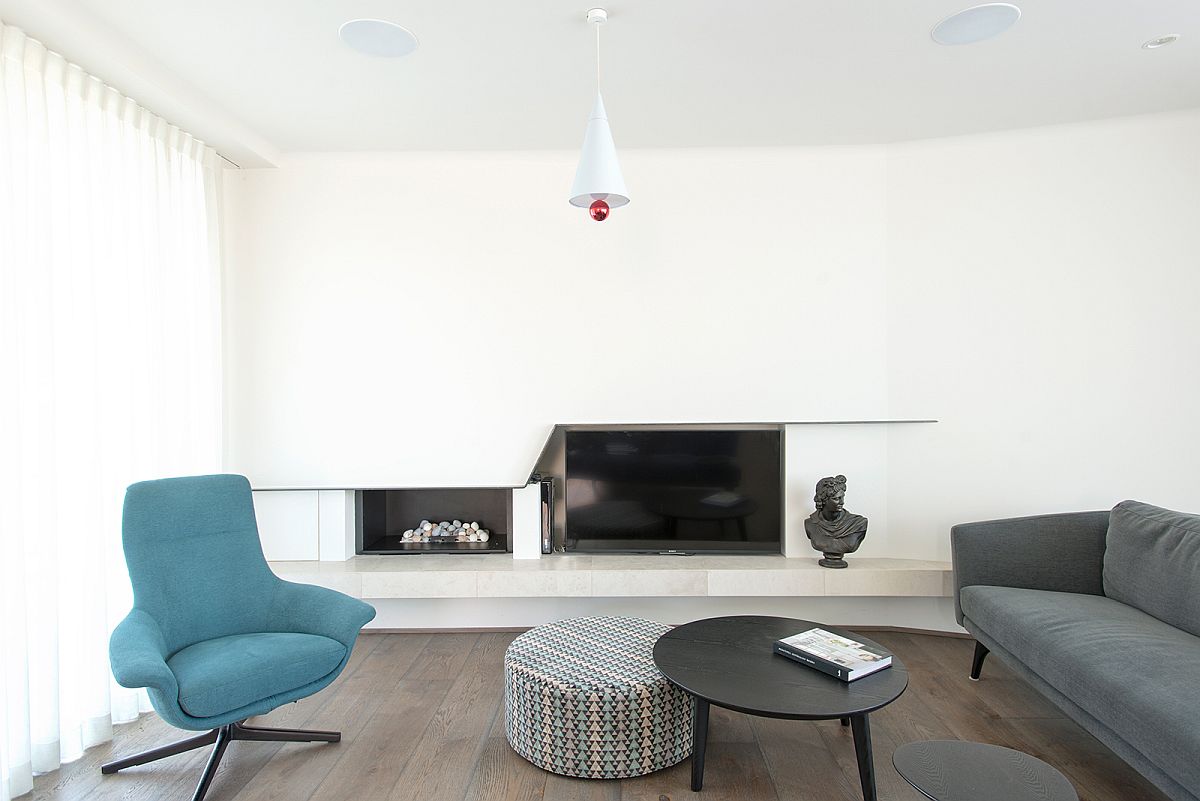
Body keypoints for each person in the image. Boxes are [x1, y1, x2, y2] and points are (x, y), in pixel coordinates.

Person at [804, 475, 868, 568]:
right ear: (823, 500)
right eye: (836, 499)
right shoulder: (810, 524)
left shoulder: (858, 524)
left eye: (842, 497)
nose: (842, 502)